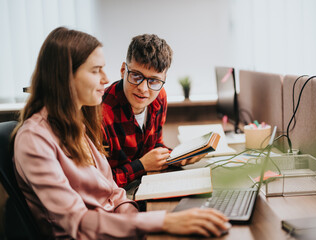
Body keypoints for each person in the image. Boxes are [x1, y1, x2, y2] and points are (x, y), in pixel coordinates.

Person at [11, 27, 229, 239]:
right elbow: (77, 223)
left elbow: (112, 193)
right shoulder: (34, 139)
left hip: (116, 225)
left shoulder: (77, 124)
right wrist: (161, 222)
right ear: (65, 76)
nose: (106, 79)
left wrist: (141, 223)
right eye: (96, 70)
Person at [102, 34, 203, 188]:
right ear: (123, 70)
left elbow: (154, 145)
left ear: (163, 80)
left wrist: (178, 156)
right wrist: (141, 166)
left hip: (145, 185)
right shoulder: (99, 113)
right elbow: (97, 182)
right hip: (116, 196)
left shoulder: (159, 97)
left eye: (154, 81)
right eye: (136, 76)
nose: (143, 89)